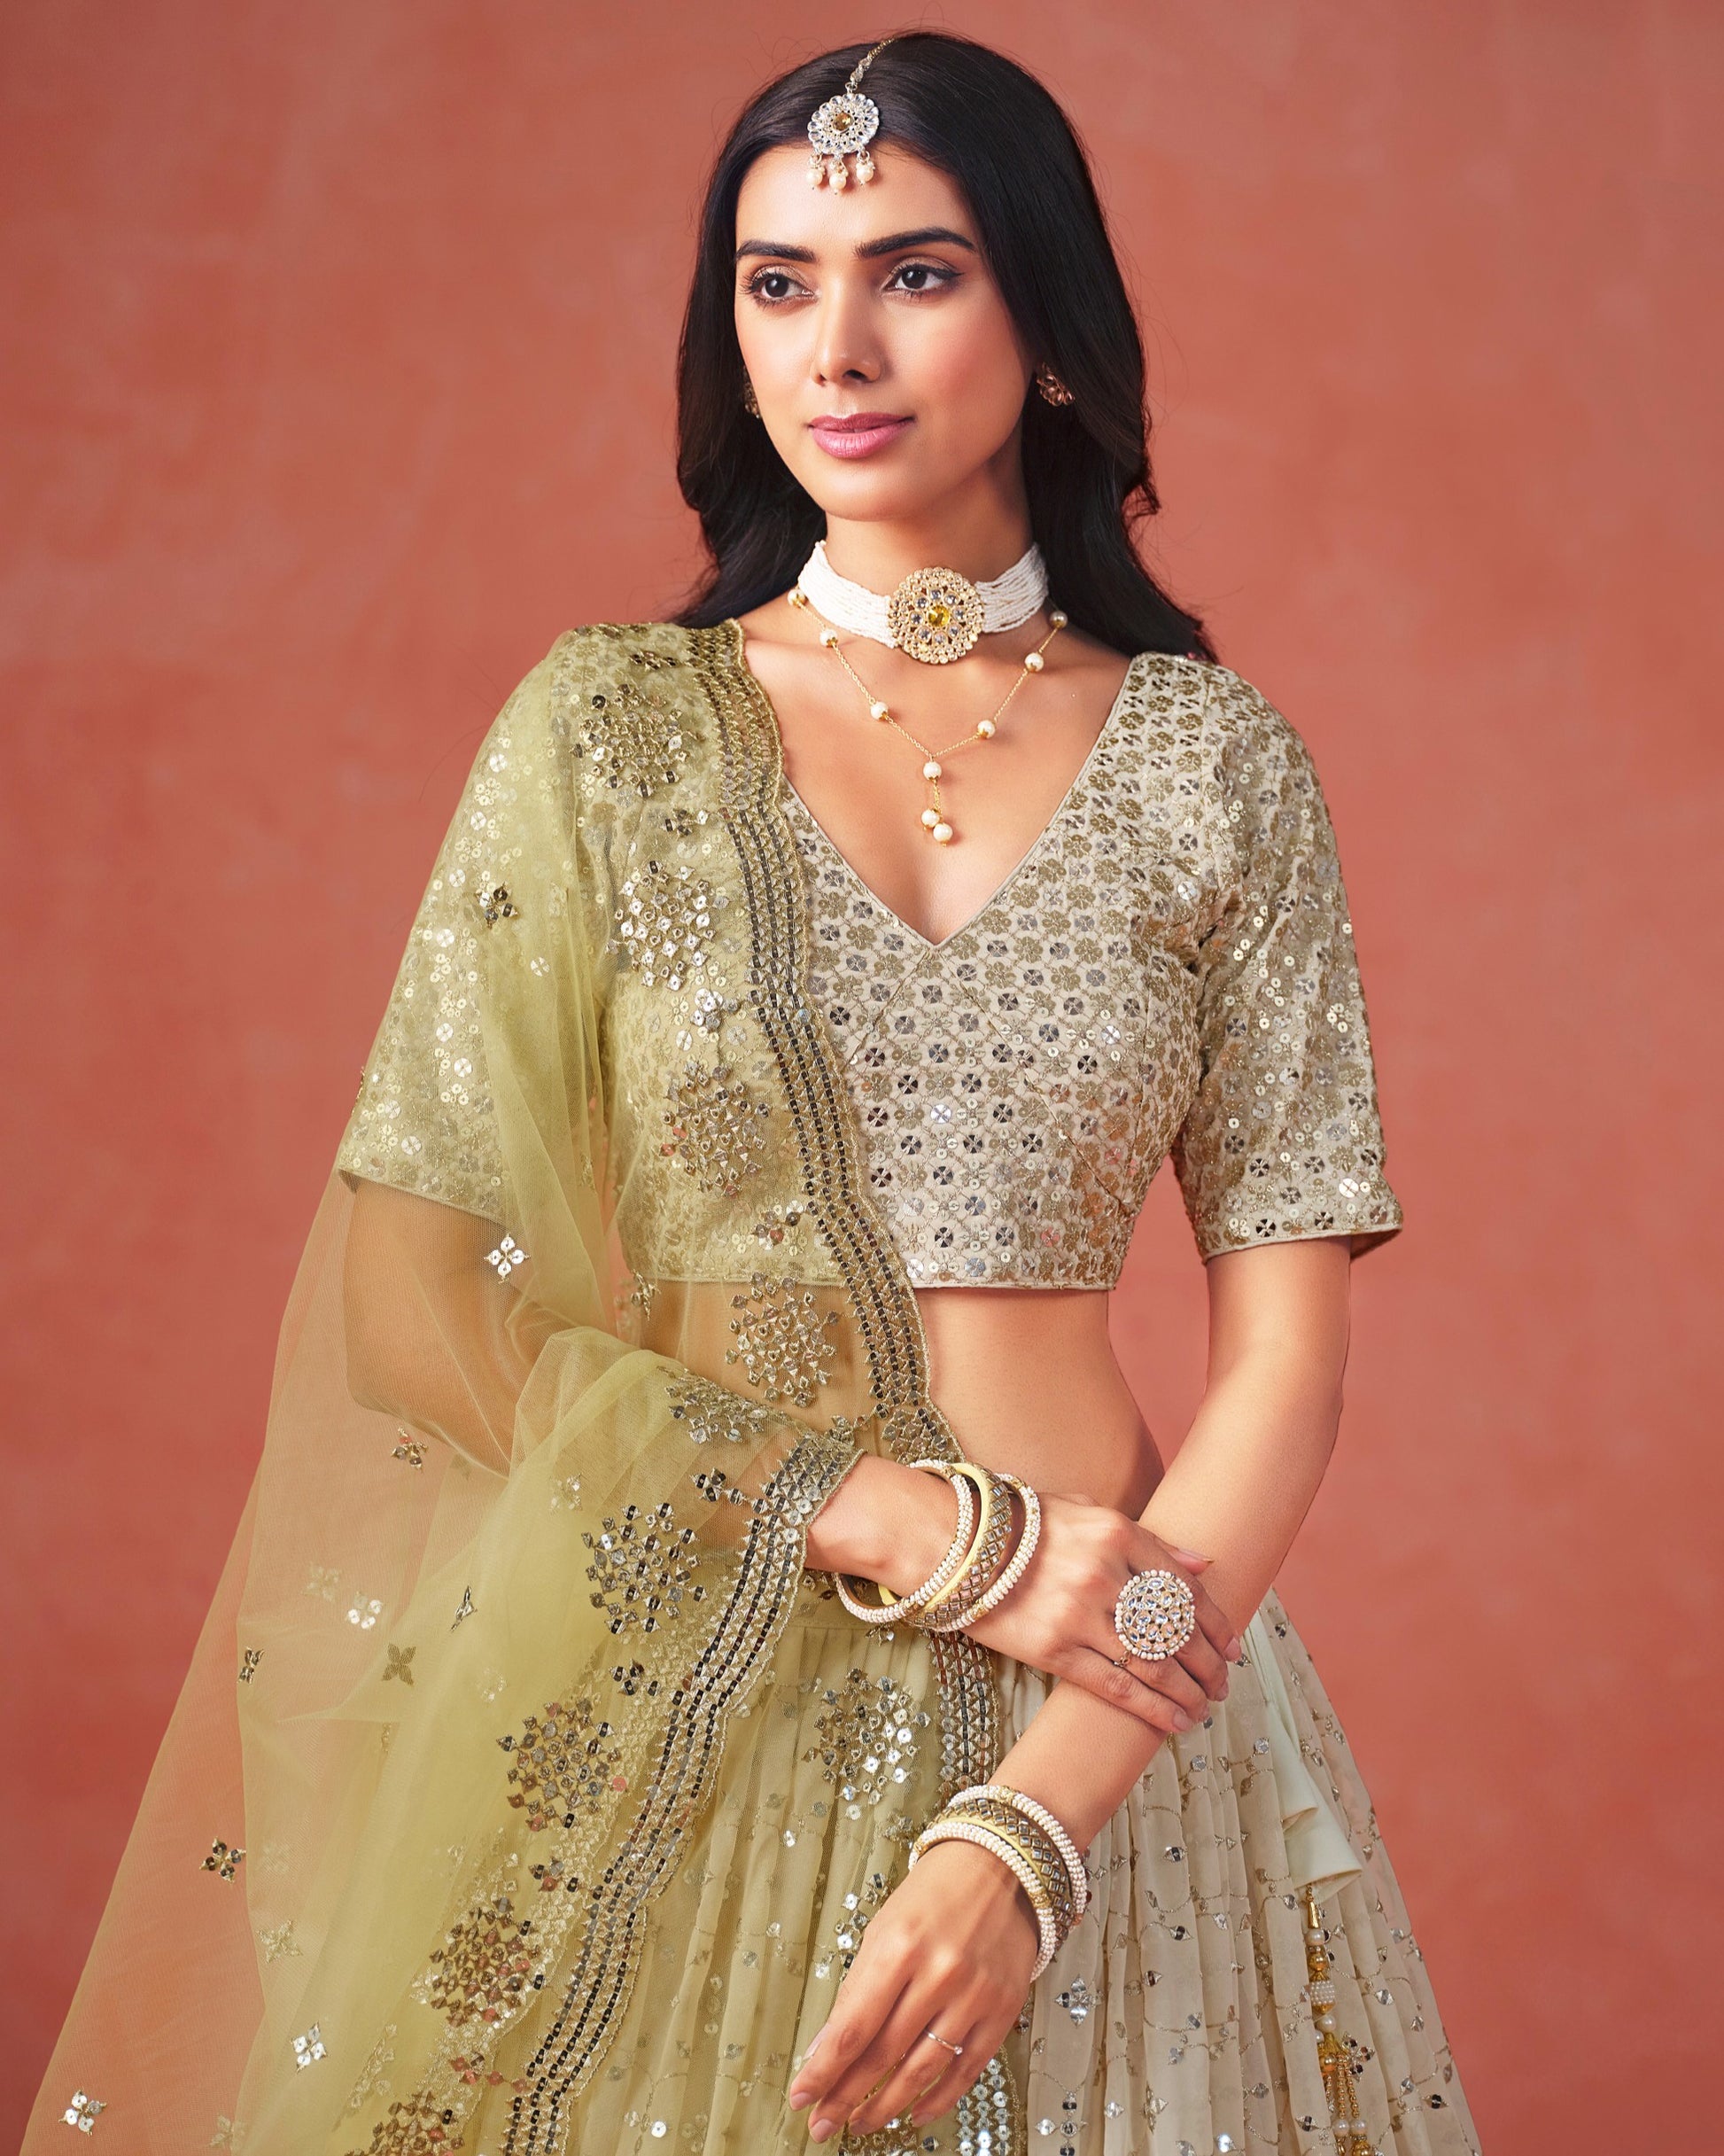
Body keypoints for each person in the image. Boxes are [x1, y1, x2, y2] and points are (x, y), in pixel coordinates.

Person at [26, 31, 1482, 2156]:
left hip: (1113, 1719)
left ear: (1052, 325)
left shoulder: (1214, 764)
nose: (836, 342)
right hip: (690, 1692)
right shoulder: (610, 732)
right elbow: (409, 1308)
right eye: (776, 280)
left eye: (916, 270)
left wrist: (1032, 1825)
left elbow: (1289, 1355)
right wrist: (909, 1522)